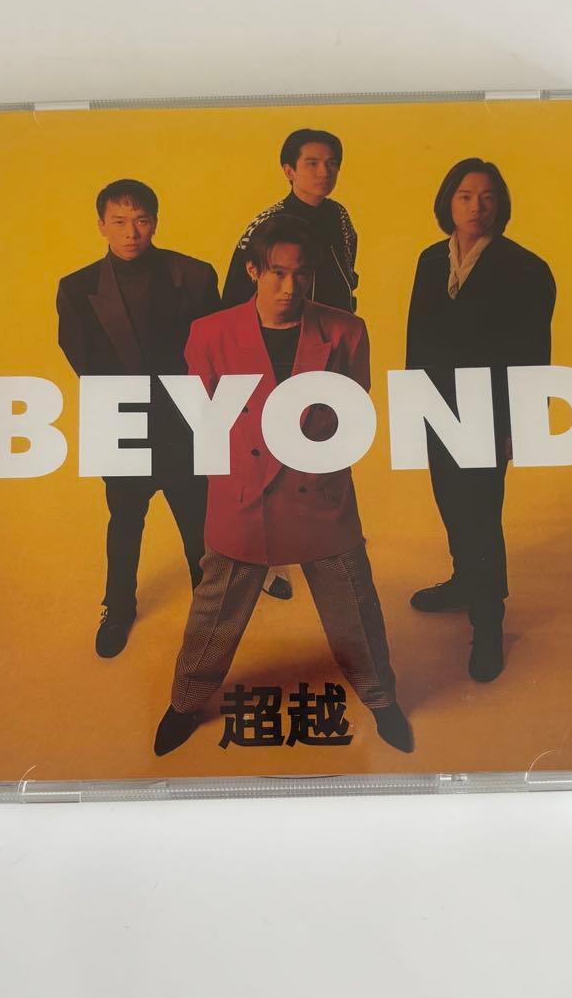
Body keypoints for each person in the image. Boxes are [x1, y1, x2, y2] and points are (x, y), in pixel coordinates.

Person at [153, 214, 412, 756]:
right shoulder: (209, 333)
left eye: (301, 274)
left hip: (319, 489)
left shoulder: (346, 331)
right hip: (244, 492)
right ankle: (185, 701)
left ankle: (382, 699)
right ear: (253, 270)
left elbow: (351, 410)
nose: (290, 287)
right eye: (277, 272)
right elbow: (205, 417)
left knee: (355, 607)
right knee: (213, 613)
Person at [405, 158, 556, 683]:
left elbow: (534, 354)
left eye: (487, 197)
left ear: (501, 204)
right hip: (438, 406)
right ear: (448, 202)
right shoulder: (431, 259)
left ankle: (488, 623)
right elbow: (417, 339)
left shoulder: (526, 268)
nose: (476, 206)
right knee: (449, 499)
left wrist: (520, 424)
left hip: (491, 413)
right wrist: (414, 407)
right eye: (465, 196)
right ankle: (464, 582)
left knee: (482, 513)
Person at [56, 179, 220, 658]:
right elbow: (84, 361)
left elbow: (212, 351)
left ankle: (211, 609)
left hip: (185, 421)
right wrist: (132, 410)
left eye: (141, 221)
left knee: (198, 522)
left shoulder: (195, 275)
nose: (131, 233)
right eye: (120, 222)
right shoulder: (77, 287)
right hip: (123, 420)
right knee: (125, 520)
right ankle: (119, 607)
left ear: (155, 222)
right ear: (101, 226)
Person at [222, 127, 359, 600]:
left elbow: (347, 278)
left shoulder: (339, 217)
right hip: (276, 354)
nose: (324, 172)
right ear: (288, 170)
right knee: (265, 461)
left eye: (332, 163)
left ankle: (315, 544)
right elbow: (235, 295)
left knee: (319, 454)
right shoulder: (268, 224)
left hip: (326, 351)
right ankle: (265, 561)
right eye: (312, 163)